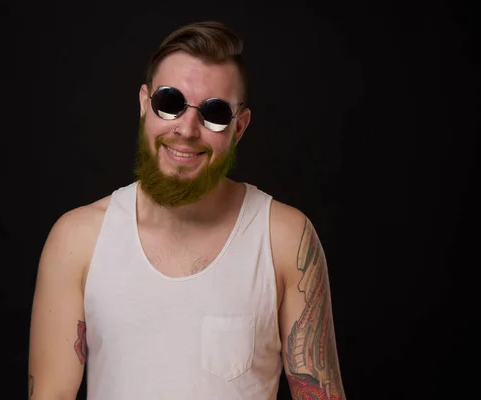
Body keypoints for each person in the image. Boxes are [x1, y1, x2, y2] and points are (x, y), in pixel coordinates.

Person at [28, 20, 346, 400]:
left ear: (239, 127)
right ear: (145, 104)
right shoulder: (77, 239)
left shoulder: (285, 238)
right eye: (169, 103)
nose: (187, 128)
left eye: (214, 113)